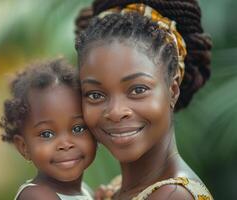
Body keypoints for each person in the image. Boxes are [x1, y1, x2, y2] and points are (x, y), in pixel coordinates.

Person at [74, 0, 213, 199]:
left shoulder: (173, 195)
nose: (115, 111)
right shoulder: (118, 188)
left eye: (138, 89)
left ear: (172, 90)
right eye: (95, 95)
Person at [0, 59, 97, 200]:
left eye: (78, 128)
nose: (65, 144)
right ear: (24, 147)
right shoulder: (36, 196)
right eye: (47, 134)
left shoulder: (85, 191)